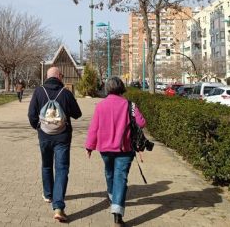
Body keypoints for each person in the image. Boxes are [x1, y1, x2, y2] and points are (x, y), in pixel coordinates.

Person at [85, 77, 146, 226]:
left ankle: (113, 197)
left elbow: (94, 128)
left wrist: (89, 146)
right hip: (125, 148)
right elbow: (142, 123)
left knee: (109, 173)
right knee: (121, 178)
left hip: (105, 149)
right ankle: (117, 213)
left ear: (107, 88)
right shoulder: (130, 106)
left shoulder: (100, 106)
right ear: (122, 88)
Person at [28, 67, 82, 222]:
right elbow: (77, 114)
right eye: (62, 75)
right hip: (62, 137)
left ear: (47, 77)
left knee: (46, 165)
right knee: (62, 169)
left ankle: (48, 194)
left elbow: (31, 115)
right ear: (59, 76)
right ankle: (58, 207)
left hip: (44, 135)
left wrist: (38, 127)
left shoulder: (38, 92)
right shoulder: (65, 93)